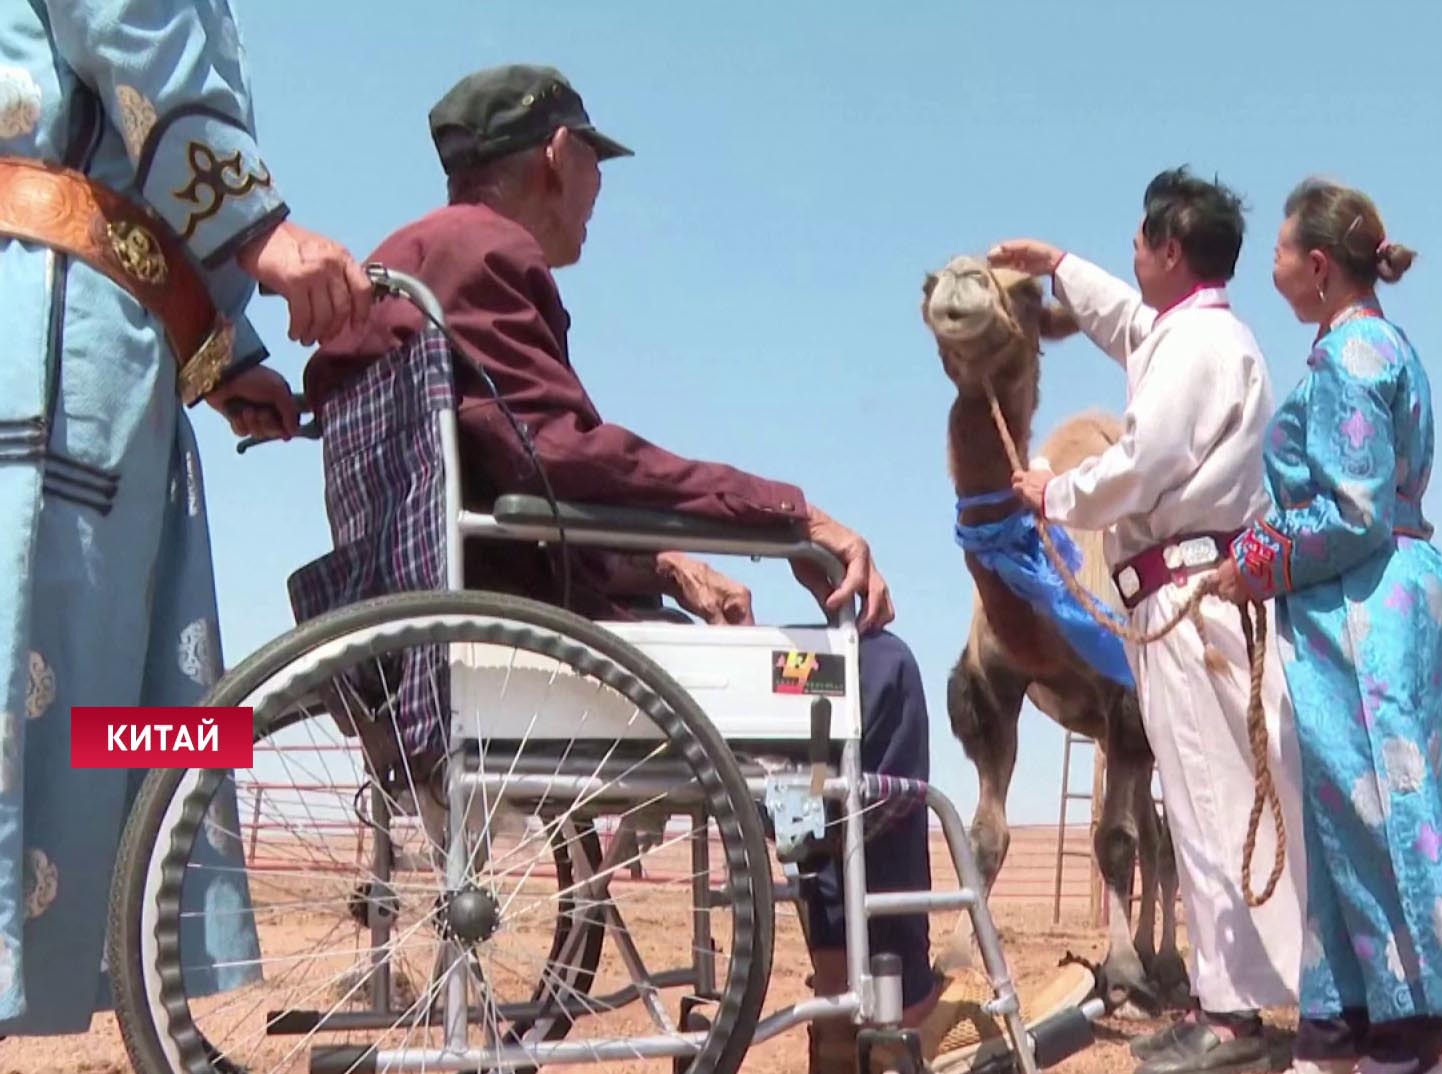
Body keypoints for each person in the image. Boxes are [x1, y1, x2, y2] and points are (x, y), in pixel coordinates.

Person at [300, 63, 1086, 1073]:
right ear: (556, 155)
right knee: (874, 674)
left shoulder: (405, 262)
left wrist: (665, 564)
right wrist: (787, 512)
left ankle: (845, 1008)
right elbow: (572, 459)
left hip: (468, 627)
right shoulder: (488, 253)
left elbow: (508, 471)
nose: (596, 191)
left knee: (797, 767)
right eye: (593, 164)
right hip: (538, 660)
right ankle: (891, 1000)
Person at [0, 0, 372, 1035]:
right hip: (48, 338)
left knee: (129, 712)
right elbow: (135, 36)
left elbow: (132, 193)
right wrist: (261, 229)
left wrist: (220, 355)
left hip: (120, 355)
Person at [990, 165, 1309, 1074]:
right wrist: (1060, 264)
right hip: (1187, 594)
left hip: (1188, 595)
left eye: (1138, 241)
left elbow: (1145, 460)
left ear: (1171, 248)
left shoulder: (1200, 348)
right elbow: (1129, 325)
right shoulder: (1195, 335)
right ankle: (1224, 1002)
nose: (1131, 256)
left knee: (1210, 805)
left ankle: (1236, 1022)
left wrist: (1059, 493)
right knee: (1206, 803)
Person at [1213, 177, 1442, 1074]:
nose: (1269, 268)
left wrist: (1252, 565)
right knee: (1348, 813)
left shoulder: (1348, 359)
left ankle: (1407, 1036)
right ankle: (1338, 1027)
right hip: (1390, 594)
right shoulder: (1388, 348)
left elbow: (1351, 511)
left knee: (1378, 812)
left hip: (1365, 611)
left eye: (1277, 253)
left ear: (1315, 264)